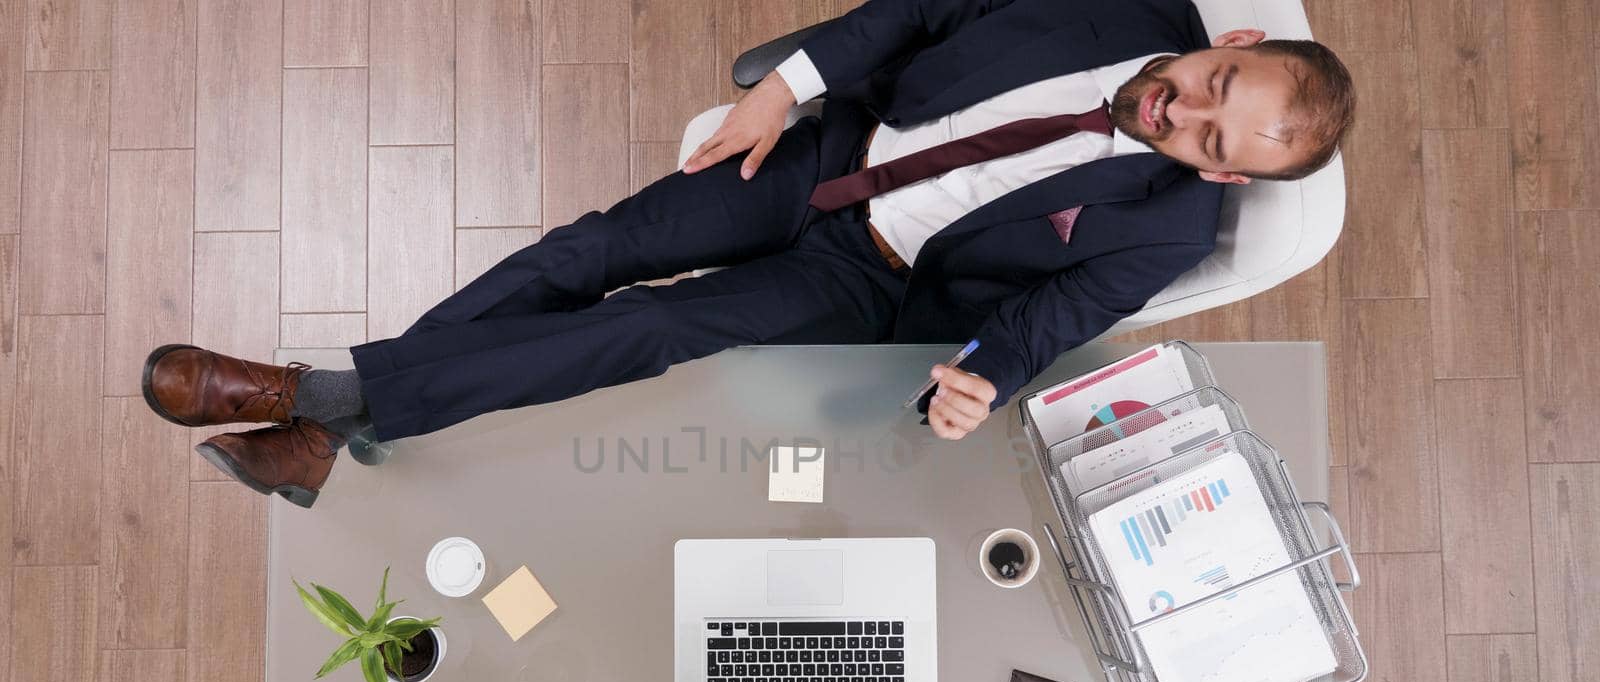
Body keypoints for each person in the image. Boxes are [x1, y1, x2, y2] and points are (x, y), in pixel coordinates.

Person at [142, 0, 1355, 508]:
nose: (1181, 113)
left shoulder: (1169, 223)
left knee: (662, 323)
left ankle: (315, 399)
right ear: (1230, 40)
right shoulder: (1113, 6)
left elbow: (1053, 318)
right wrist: (785, 86)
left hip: (870, 272)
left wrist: (985, 376)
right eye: (1214, 84)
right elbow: (916, 14)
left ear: (1226, 173)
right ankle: (325, 434)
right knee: (594, 248)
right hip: (825, 146)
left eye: (1211, 139)